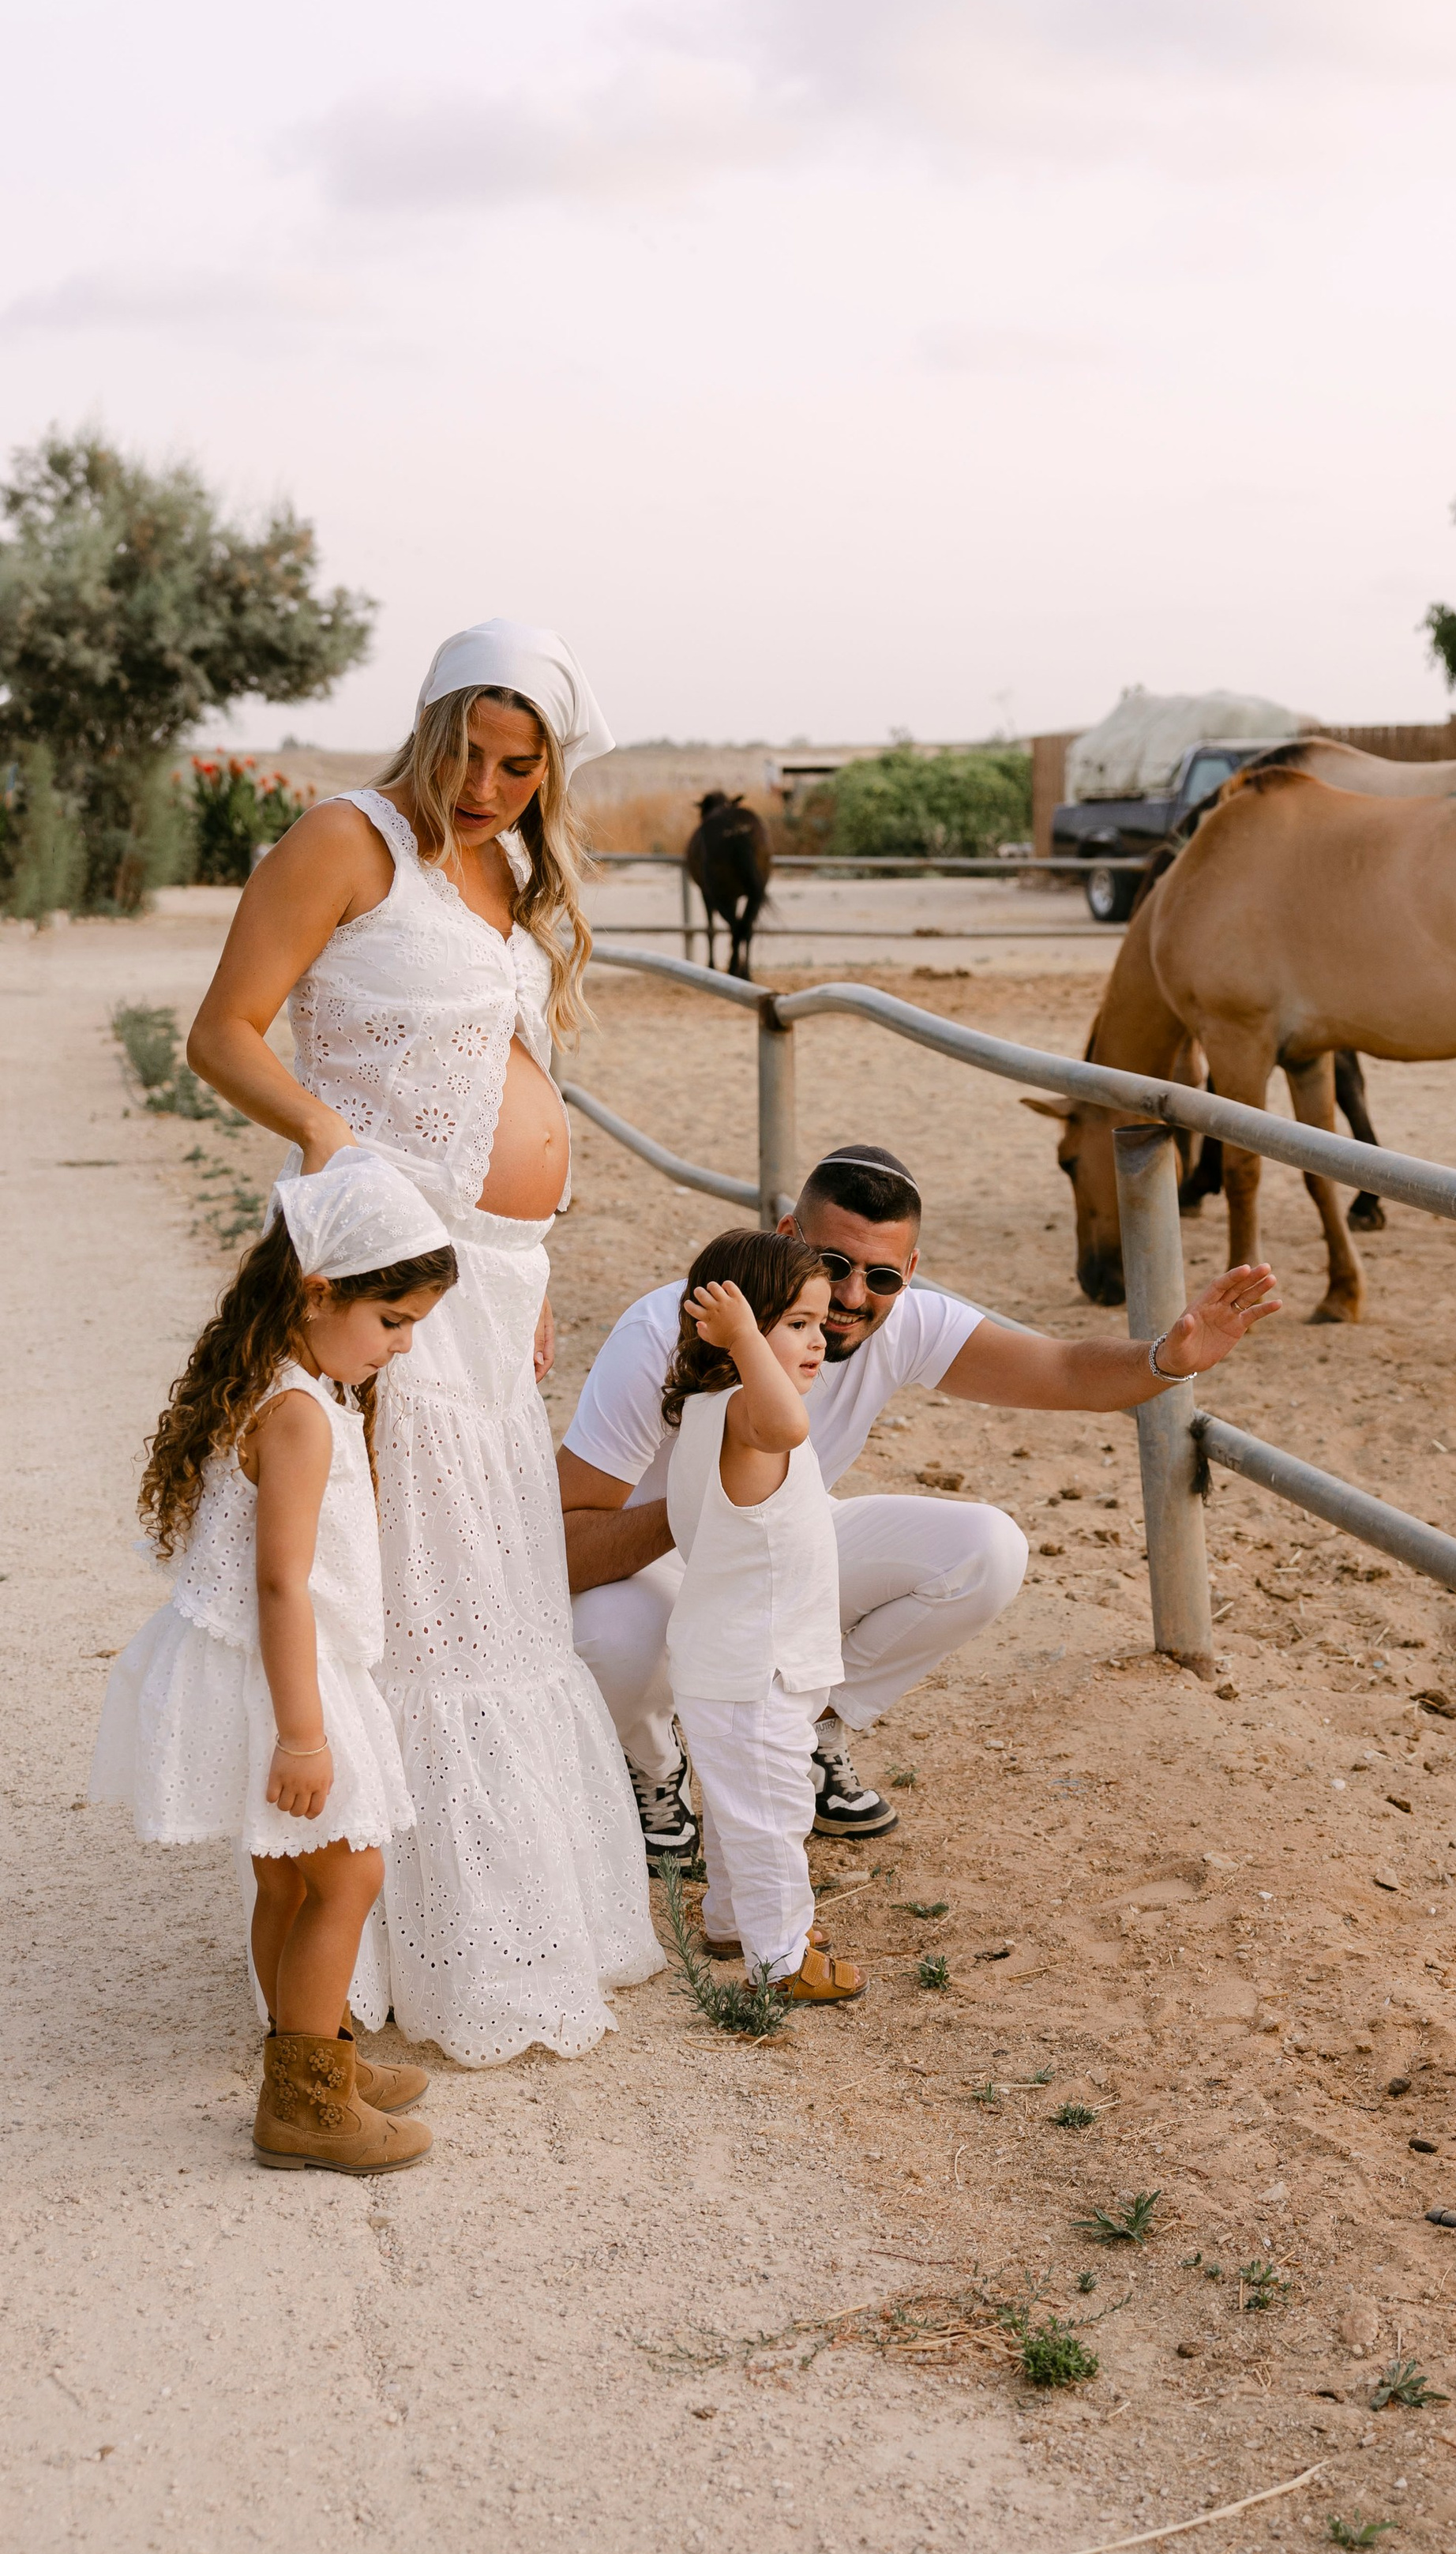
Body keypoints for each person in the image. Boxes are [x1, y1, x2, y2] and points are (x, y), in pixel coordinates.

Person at [186, 619, 663, 2067]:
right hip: (390, 1276)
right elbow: (227, 1033)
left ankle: (492, 1930)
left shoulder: (505, 869)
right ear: (433, 723)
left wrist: (532, 1266)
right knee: (404, 1607)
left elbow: (498, 1074)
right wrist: (334, 1140)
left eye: (525, 767)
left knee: (493, 1602)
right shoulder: (348, 840)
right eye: (474, 751)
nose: (492, 786)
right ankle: (368, 1955)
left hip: (495, 1283)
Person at [561, 1144, 1278, 1851]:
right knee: (609, 1636)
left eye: (879, 1276)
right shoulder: (664, 1329)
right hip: (651, 1566)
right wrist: (707, 1507)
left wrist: (1168, 1358)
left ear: (909, 1273)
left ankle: (809, 1732)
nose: (849, 1298)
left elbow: (1061, 1371)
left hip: (779, 1545)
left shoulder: (903, 1322)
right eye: (832, 1265)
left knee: (984, 1550)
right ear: (787, 1236)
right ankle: (651, 1765)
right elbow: (562, 1545)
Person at [92, 1150, 460, 2173]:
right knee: (351, 1877)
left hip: (257, 1670)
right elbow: (281, 1586)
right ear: (318, 1291)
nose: (401, 1347)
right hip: (284, 1681)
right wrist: (304, 1735)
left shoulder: (281, 1382)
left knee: (293, 1885)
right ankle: (303, 2104)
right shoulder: (297, 1412)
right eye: (392, 1323)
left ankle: (318, 2056)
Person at [661, 1229, 864, 2004]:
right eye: (795, 1325)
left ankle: (729, 1920)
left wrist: (754, 1342)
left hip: (741, 1660)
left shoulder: (713, 1411)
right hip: (754, 1667)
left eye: (820, 1325)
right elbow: (788, 1425)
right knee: (773, 1813)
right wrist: (748, 1339)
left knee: (738, 1806)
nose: (818, 1341)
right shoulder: (751, 1416)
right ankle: (782, 1958)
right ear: (732, 1332)